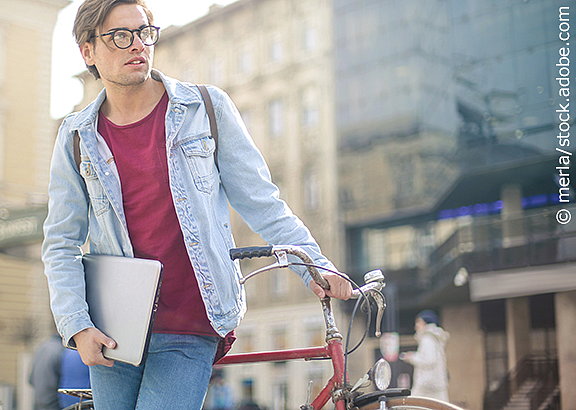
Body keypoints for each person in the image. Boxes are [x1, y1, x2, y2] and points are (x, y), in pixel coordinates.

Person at [41, 0, 353, 408]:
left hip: (191, 320)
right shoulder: (76, 136)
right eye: (119, 36)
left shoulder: (204, 109)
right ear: (88, 51)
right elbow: (60, 242)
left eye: (143, 32)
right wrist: (77, 325)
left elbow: (264, 203)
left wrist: (313, 264)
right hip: (113, 327)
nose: (137, 45)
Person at [400, 310, 450, 402]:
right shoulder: (434, 338)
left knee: (410, 404)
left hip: (427, 384)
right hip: (436, 384)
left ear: (426, 323)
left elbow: (429, 360)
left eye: (418, 322)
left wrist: (411, 357)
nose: (416, 326)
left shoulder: (427, 339)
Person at [29, 333, 65, 410]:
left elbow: (30, 380)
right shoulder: (62, 351)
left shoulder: (41, 347)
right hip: (54, 404)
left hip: (38, 402)